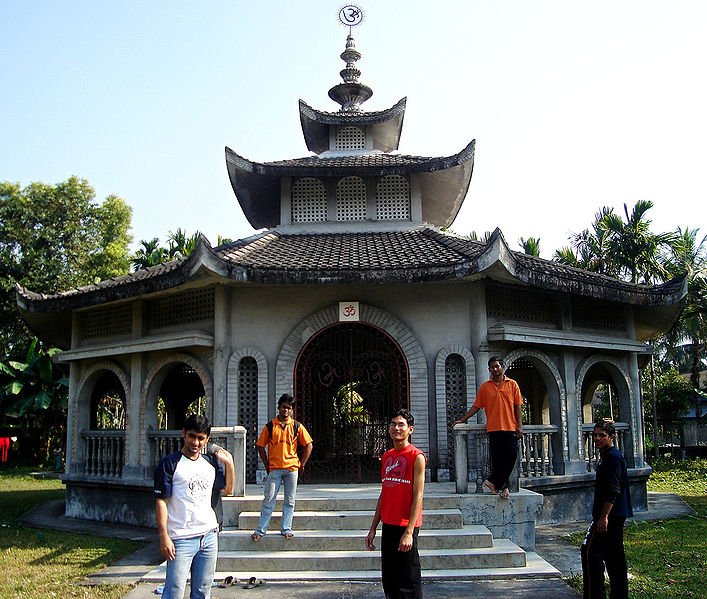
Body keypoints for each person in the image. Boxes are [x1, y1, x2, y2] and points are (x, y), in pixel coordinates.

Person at [154, 414, 235, 599]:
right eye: (192, 436)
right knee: (174, 592)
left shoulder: (210, 463)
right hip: (181, 538)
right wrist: (163, 536)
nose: (195, 442)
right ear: (184, 434)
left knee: (202, 592)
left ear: (207, 439)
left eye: (200, 438)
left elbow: (228, 489)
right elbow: (161, 502)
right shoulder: (169, 464)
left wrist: (229, 464)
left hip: (209, 536)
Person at [365, 409, 426, 599]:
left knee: (408, 578)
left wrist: (409, 532)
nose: (396, 428)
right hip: (388, 523)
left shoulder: (417, 457)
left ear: (410, 430)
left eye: (401, 425)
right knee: (389, 577)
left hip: (405, 524)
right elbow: (385, 492)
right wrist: (373, 527)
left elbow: (418, 496)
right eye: (393, 424)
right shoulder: (387, 456)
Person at [453, 355, 523, 499]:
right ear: (489, 369)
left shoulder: (512, 384)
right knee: (498, 461)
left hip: (510, 427)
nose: (495, 369)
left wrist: (519, 426)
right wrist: (462, 419)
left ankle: (492, 482)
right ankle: (503, 488)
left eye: (497, 366)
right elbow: (476, 406)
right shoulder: (485, 387)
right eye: (492, 367)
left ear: (502, 367)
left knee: (511, 457)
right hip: (494, 428)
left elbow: (518, 407)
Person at [581, 419, 633, 599]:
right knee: (614, 557)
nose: (597, 439)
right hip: (615, 514)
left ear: (611, 437)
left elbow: (613, 491)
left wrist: (603, 517)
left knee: (591, 553)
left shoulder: (613, 458)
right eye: (595, 435)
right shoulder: (607, 457)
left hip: (611, 516)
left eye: (602, 435)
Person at [251, 393, 313, 541]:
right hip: (275, 468)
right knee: (269, 499)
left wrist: (301, 463)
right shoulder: (270, 426)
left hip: (292, 468)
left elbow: (308, 445)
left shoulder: (297, 426)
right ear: (279, 408)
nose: (286, 410)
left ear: (291, 410)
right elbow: (260, 446)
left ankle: (286, 528)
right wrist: (267, 464)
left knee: (290, 500)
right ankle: (261, 530)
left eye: (289, 408)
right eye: (284, 407)